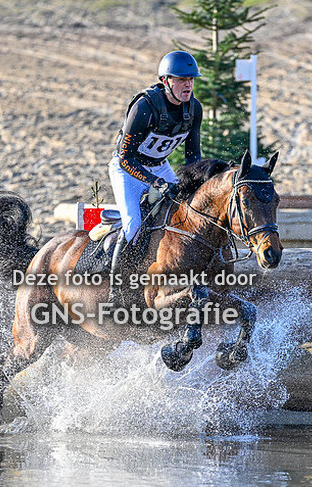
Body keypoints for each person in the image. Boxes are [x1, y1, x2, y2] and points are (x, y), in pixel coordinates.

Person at [107, 50, 203, 304]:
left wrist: (196, 184)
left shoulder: (194, 109)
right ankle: (116, 289)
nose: (188, 85)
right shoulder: (144, 107)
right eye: (182, 80)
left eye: (191, 79)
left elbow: (193, 158)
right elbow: (126, 157)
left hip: (160, 166)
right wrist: (156, 183)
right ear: (166, 81)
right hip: (127, 169)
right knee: (133, 226)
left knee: (185, 215)